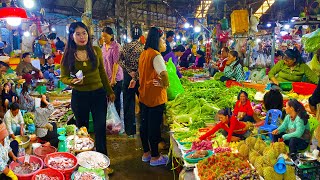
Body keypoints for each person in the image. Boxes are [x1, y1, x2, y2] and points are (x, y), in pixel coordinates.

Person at [60, 22, 115, 170]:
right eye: (77, 34)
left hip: (98, 95)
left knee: (100, 128)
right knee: (82, 130)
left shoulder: (96, 50)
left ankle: (103, 162)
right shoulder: (68, 54)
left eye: (84, 33)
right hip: (79, 96)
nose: (82, 36)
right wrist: (72, 81)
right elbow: (63, 77)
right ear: (72, 36)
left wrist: (109, 91)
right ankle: (84, 163)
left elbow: (102, 73)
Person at [139, 27, 169, 166]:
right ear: (157, 40)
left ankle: (146, 153)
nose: (163, 42)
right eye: (162, 39)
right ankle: (155, 157)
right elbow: (164, 74)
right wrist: (165, 84)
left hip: (144, 94)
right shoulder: (156, 55)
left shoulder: (144, 53)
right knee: (154, 127)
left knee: (144, 125)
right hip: (155, 97)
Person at [119, 26, 144, 137]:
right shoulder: (142, 48)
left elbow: (120, 60)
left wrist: (129, 72)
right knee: (143, 102)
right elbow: (142, 65)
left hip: (127, 77)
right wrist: (136, 75)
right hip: (139, 78)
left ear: (130, 35)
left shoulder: (125, 46)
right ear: (141, 36)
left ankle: (129, 130)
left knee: (128, 103)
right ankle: (143, 126)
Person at [101, 27, 123, 115]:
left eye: (105, 36)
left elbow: (116, 63)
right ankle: (110, 120)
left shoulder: (116, 46)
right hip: (107, 77)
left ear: (111, 36)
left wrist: (113, 79)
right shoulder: (103, 46)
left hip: (116, 77)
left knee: (115, 99)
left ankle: (117, 121)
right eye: (102, 37)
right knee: (108, 99)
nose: (104, 38)